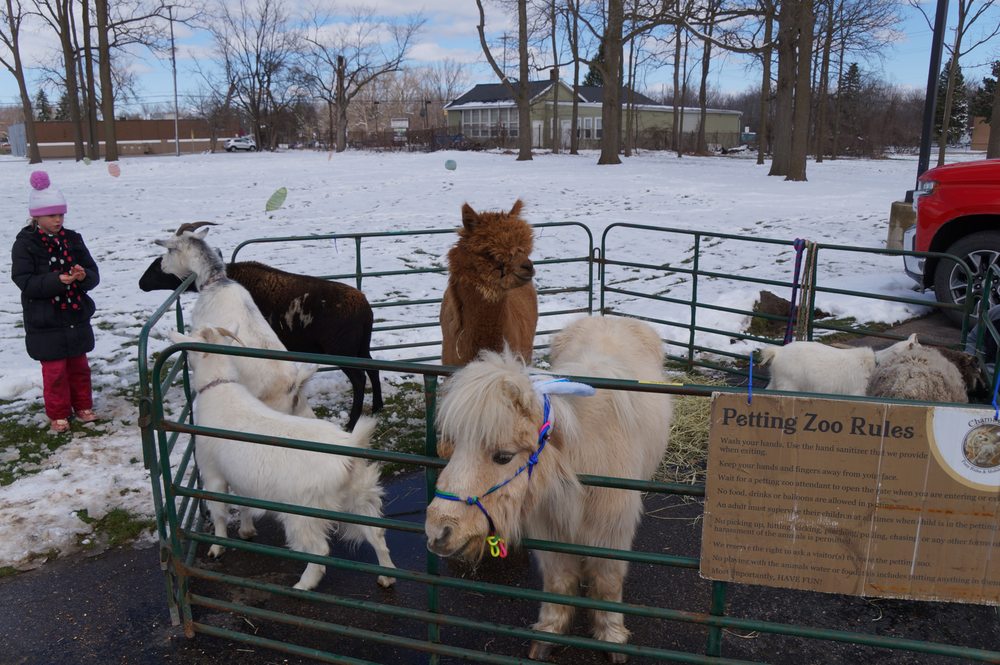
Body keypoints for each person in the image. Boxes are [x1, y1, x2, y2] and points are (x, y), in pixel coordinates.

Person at [11, 171, 100, 433]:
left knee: (79, 367)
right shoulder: (25, 244)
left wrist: (83, 277)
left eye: (61, 214)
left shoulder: (73, 239)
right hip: (45, 319)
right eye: (52, 215)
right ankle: (59, 413)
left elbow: (93, 274)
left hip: (75, 317)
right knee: (55, 372)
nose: (58, 220)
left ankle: (83, 405)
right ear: (36, 216)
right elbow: (24, 281)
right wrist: (56, 280)